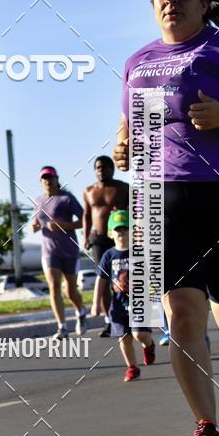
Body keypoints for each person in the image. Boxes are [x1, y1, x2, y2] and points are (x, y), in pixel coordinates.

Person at [113, 0, 219, 436]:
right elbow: (129, 127)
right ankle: (206, 429)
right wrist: (123, 149)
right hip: (158, 199)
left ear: (204, 3)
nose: (171, 2)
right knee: (182, 315)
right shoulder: (138, 61)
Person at [92, 210, 156, 381]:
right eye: (117, 229)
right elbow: (101, 280)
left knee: (139, 335)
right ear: (110, 233)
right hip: (118, 303)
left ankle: (148, 345)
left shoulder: (140, 251)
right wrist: (96, 303)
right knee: (124, 338)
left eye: (125, 229)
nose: (121, 233)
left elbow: (153, 273)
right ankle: (132, 367)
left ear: (132, 231)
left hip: (140, 301)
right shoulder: (108, 255)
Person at [31, 166, 87, 340]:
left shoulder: (66, 198)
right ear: (41, 181)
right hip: (49, 251)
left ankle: (81, 311)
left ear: (57, 179)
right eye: (44, 178)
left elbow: (85, 220)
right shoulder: (38, 201)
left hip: (69, 250)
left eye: (51, 177)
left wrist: (63, 226)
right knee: (54, 286)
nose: (48, 181)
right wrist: (35, 226)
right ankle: (62, 327)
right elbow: (36, 221)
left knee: (70, 291)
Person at [83, 156, 129, 337]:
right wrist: (86, 237)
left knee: (125, 278)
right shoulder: (88, 191)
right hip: (99, 238)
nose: (100, 170)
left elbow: (136, 209)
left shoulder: (123, 188)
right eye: (97, 168)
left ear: (112, 169)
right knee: (103, 277)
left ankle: (133, 314)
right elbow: (87, 215)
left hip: (120, 236)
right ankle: (109, 321)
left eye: (104, 167)